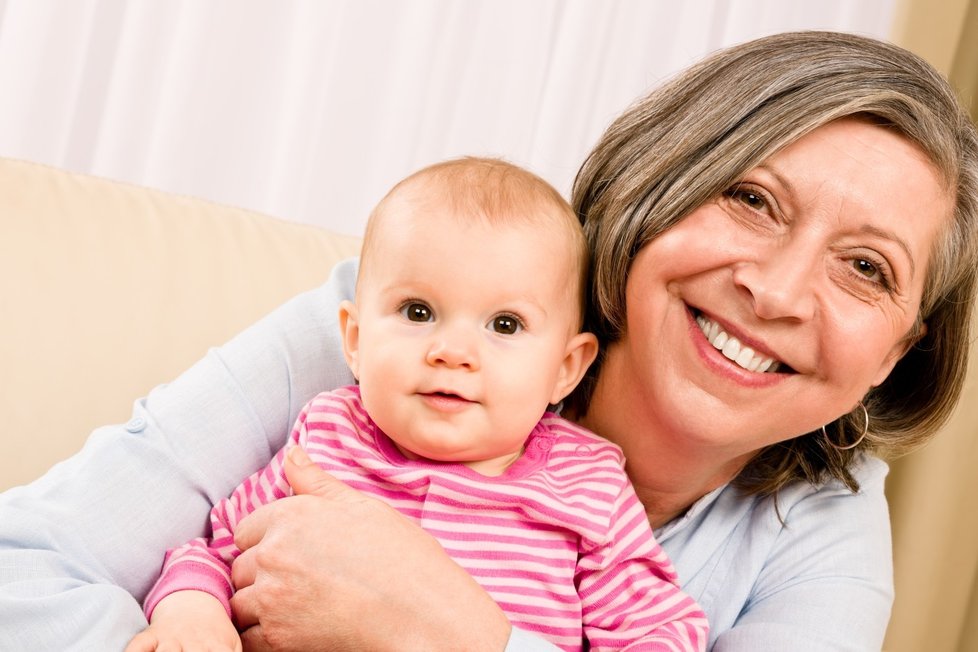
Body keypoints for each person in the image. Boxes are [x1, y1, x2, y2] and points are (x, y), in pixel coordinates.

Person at [2, 30, 977, 652]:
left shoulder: (823, 532)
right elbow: (25, 569)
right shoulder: (386, 341)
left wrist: (456, 632)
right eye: (752, 198)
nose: (774, 288)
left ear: (899, 354)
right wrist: (188, 613)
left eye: (868, 268)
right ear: (657, 182)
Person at [125, 157, 708, 651]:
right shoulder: (328, 439)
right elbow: (216, 547)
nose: (452, 351)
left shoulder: (588, 487)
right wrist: (192, 611)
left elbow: (660, 631)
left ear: (564, 369)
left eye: (504, 324)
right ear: (355, 340)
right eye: (418, 312)